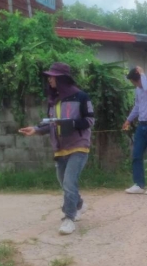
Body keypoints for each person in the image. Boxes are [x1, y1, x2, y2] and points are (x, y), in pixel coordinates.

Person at [19, 62, 95, 235]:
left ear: (62, 79)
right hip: (60, 148)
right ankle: (79, 204)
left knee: (69, 183)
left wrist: (69, 124)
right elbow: (52, 124)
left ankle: (69, 218)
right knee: (64, 183)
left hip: (79, 145)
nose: (49, 80)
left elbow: (90, 120)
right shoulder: (53, 101)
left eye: (52, 77)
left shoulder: (81, 97)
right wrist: (36, 130)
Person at [123, 66, 147, 195]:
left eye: (134, 82)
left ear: (138, 79)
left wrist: (142, 74)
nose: (134, 85)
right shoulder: (138, 90)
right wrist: (128, 120)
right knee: (136, 155)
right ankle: (139, 184)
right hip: (142, 125)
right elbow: (137, 106)